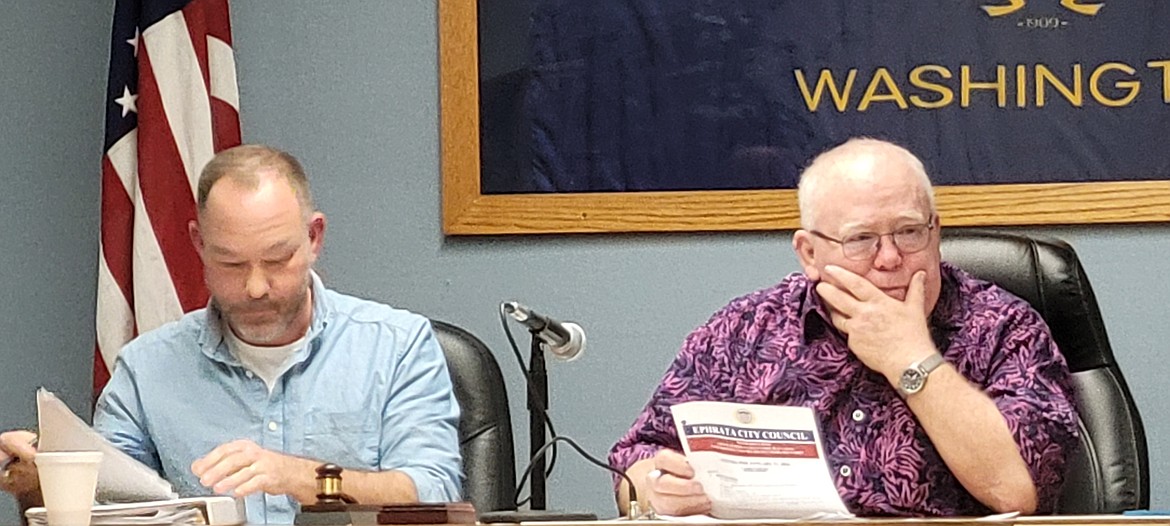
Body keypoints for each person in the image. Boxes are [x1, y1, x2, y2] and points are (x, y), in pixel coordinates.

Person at [609, 138, 1080, 517]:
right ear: (809, 253)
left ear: (936, 233)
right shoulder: (744, 332)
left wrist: (911, 360)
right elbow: (636, 460)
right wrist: (655, 491)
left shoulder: (1005, 328)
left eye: (910, 232)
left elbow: (1019, 489)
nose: (891, 257)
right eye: (861, 240)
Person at [0, 145, 463, 524]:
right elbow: (104, 510)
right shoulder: (147, 370)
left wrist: (301, 478)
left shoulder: (397, 346)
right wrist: (42, 482)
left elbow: (434, 491)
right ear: (199, 244)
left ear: (314, 238)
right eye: (231, 263)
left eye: (278, 259)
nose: (256, 287)